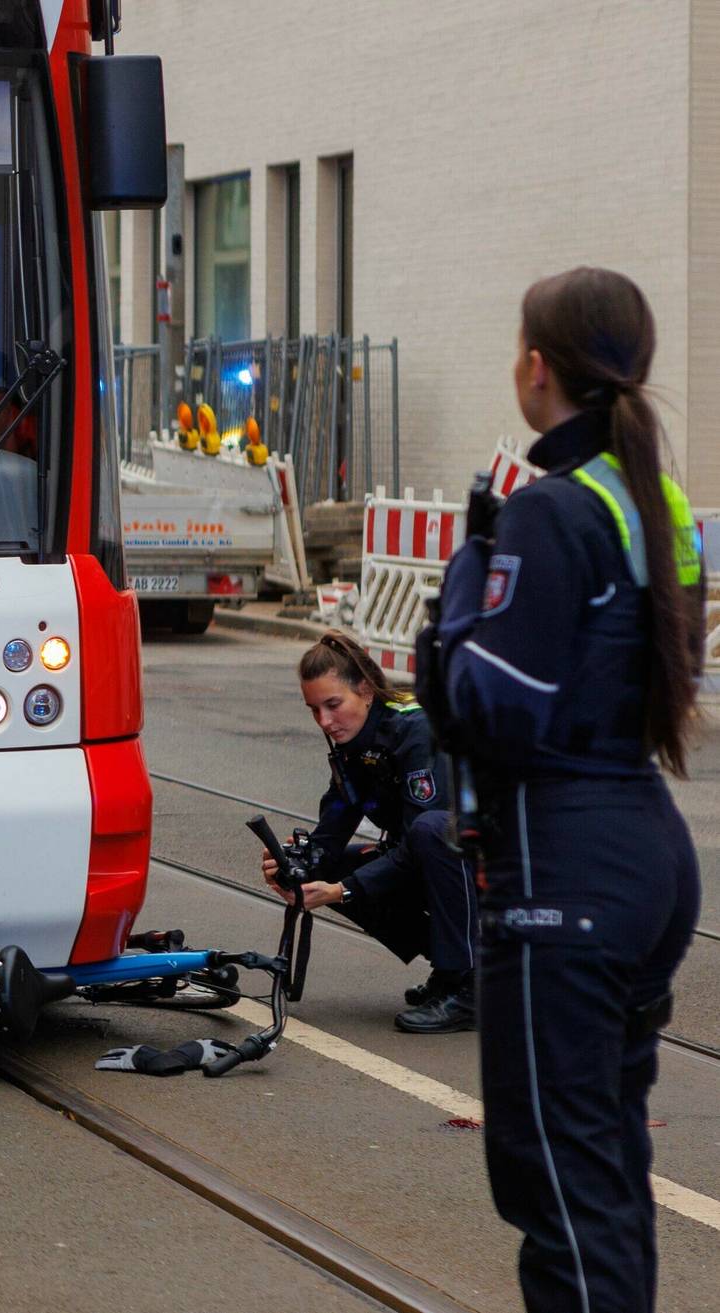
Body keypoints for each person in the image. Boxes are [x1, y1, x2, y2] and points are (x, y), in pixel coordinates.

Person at [428, 267, 702, 1312]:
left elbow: (492, 705)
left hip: (562, 864)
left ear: (535, 367)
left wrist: (456, 603)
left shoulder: (549, 512)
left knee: (553, 1179)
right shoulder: (652, 499)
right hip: (642, 848)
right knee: (601, 1173)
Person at [257, 631, 478, 1032]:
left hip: (492, 865)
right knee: (327, 869)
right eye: (314, 709)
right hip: (436, 858)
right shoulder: (352, 740)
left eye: (333, 705)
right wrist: (297, 864)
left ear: (366, 691)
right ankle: (449, 969)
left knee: (431, 830)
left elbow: (421, 842)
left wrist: (342, 890)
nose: (325, 721)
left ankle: (469, 982)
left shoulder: (417, 728)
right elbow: (338, 815)